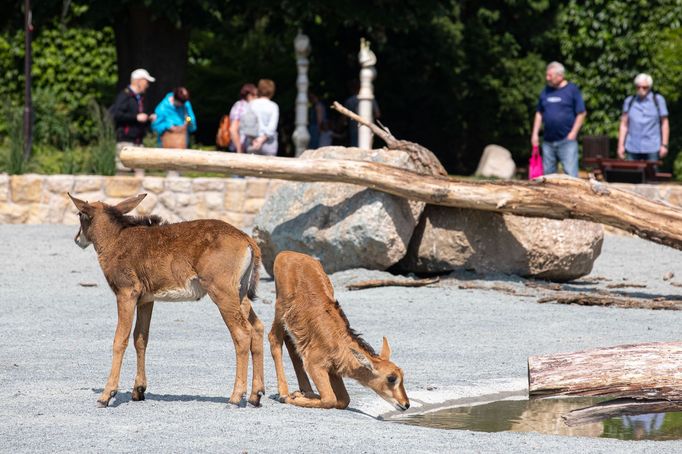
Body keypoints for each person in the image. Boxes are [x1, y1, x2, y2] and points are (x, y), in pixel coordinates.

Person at [531, 61, 586, 177]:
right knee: (547, 178)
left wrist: (573, 133)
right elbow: (539, 113)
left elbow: (581, 113)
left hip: (567, 141)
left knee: (571, 176)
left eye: (550, 76)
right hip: (548, 142)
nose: (547, 78)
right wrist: (535, 134)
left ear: (560, 76)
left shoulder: (572, 90)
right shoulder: (545, 91)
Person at [109, 68, 157, 175]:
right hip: (125, 141)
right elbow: (116, 115)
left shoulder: (139, 98)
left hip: (138, 141)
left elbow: (138, 117)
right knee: (123, 173)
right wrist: (136, 117)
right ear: (138, 81)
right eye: (146, 81)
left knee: (140, 174)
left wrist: (148, 118)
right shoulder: (125, 95)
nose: (147, 85)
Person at [617, 73, 669, 162]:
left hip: (652, 146)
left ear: (649, 87)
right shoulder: (629, 101)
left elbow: (664, 123)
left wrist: (664, 145)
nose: (641, 89)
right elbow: (624, 125)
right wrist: (620, 145)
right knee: (631, 174)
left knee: (651, 175)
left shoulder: (658, 100)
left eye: (644, 87)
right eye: (638, 87)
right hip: (632, 146)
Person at [343, 79, 381, 147]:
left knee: (355, 148)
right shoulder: (370, 98)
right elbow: (378, 114)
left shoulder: (349, 101)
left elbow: (344, 119)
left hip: (354, 128)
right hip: (369, 127)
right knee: (368, 147)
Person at [247, 79, 279, 156]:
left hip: (253, 142)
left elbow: (248, 124)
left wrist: (255, 140)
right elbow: (272, 127)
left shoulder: (251, 104)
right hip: (269, 144)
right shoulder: (273, 106)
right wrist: (261, 140)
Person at [227, 83, 258, 153]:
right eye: (256, 95)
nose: (257, 98)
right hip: (239, 148)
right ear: (249, 95)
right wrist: (239, 149)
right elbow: (233, 129)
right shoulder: (241, 107)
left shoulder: (243, 105)